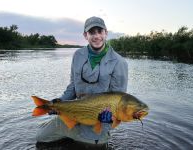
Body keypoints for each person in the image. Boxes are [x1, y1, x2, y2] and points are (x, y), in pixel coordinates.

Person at [35, 16, 128, 149]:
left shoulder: (119, 62)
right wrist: (57, 103)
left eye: (99, 31)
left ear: (106, 33)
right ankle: (68, 131)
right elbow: (72, 87)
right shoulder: (78, 55)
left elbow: (119, 101)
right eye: (92, 32)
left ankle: (91, 138)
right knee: (40, 137)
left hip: (96, 124)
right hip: (75, 112)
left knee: (92, 146)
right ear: (85, 35)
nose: (96, 36)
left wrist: (108, 120)